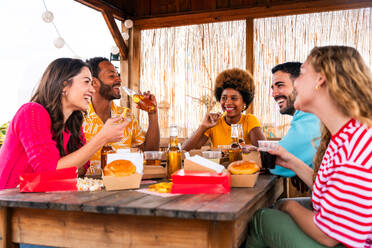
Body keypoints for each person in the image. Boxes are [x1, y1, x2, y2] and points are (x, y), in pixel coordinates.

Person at [246, 46, 372, 248]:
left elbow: (329, 237)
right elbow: (330, 193)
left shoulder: (353, 150)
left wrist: (290, 206)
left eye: (302, 73)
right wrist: (292, 162)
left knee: (262, 219)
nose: (296, 83)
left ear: (320, 80)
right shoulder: (343, 134)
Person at [0, 58, 127, 190]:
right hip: (10, 202)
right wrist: (102, 137)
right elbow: (49, 172)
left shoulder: (72, 122)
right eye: (86, 82)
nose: (92, 90)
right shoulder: (31, 112)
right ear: (64, 86)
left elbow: (82, 169)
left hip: (44, 199)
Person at [84, 57, 160, 175]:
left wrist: (153, 113)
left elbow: (150, 153)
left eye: (117, 74)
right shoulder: (79, 118)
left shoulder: (126, 115)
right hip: (88, 189)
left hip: (124, 186)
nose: (119, 79)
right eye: (111, 76)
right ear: (94, 83)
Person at [182, 68, 266, 151]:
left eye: (234, 98)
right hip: (218, 165)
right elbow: (184, 150)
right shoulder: (214, 123)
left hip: (244, 164)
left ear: (244, 102)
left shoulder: (249, 120)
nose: (228, 102)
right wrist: (203, 126)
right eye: (224, 98)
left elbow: (264, 150)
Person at [269, 62, 321, 178]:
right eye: (273, 88)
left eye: (280, 85)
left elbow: (277, 163)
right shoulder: (307, 114)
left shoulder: (310, 113)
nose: (274, 94)